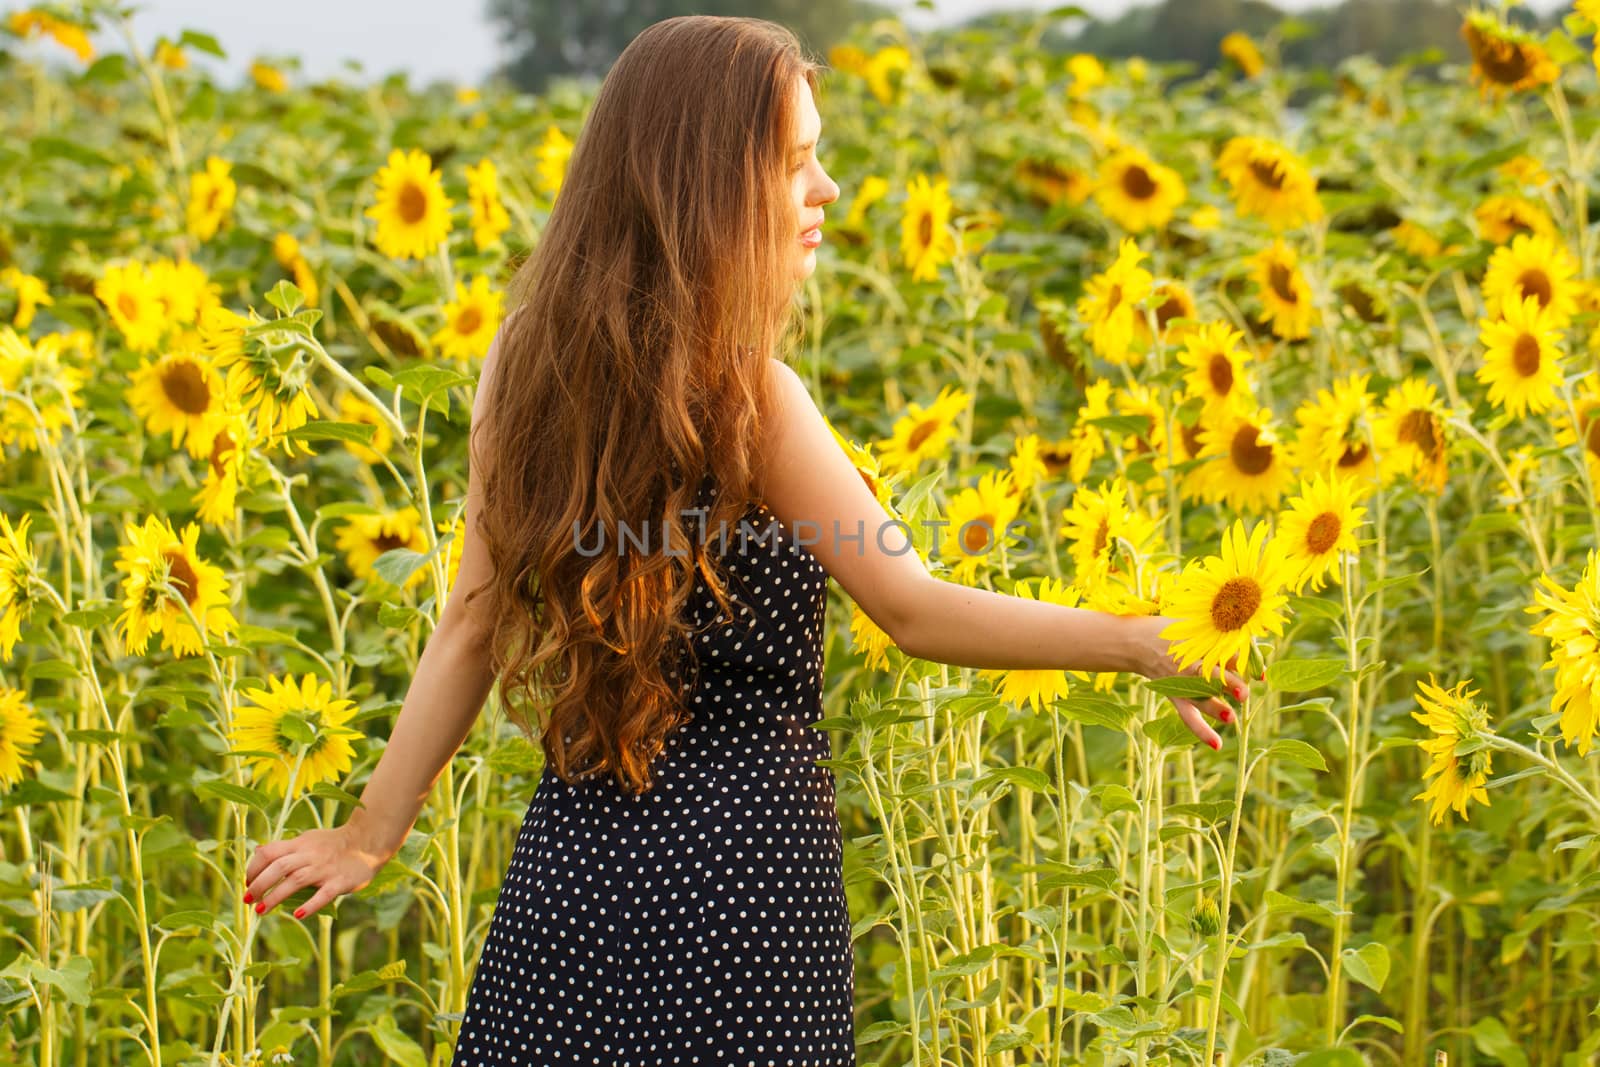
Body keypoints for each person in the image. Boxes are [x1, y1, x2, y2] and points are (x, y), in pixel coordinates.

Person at [242, 14, 1248, 1065]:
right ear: (705, 187)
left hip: (574, 889)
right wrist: (1136, 640)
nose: (826, 193)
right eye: (798, 163)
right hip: (745, 900)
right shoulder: (751, 398)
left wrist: (369, 833)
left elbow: (470, 623)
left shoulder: (523, 363)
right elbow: (912, 606)